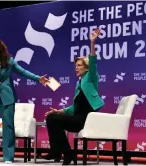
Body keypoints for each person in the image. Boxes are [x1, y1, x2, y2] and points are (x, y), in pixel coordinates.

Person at [0, 38, 49, 164]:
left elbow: (23, 72)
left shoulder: (9, 61)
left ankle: (8, 157)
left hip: (7, 97)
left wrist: (38, 79)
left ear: (1, 46)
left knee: (9, 126)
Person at [43, 28, 104, 165]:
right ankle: (63, 152)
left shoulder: (91, 78)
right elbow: (75, 106)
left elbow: (93, 61)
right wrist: (61, 111)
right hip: (78, 117)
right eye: (75, 66)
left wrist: (92, 42)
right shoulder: (79, 83)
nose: (76, 68)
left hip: (87, 119)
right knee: (51, 117)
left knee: (53, 119)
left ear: (86, 68)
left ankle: (62, 152)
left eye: (79, 65)